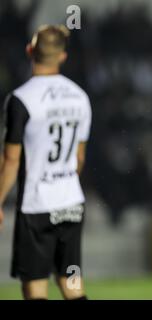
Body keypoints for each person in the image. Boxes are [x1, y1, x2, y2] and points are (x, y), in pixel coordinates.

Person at [0, 25, 92, 300]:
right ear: (62, 56)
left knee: (35, 285)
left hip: (36, 205)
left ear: (30, 51)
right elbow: (79, 158)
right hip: (71, 202)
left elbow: (11, 159)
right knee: (72, 282)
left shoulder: (20, 100)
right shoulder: (80, 97)